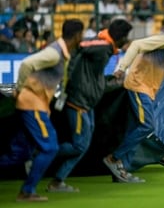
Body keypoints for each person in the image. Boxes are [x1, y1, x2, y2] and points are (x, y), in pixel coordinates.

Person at [103, 10, 164, 183]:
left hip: (147, 88)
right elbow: (136, 45)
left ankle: (121, 169)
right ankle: (114, 159)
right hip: (138, 86)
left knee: (134, 128)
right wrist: (121, 68)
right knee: (147, 125)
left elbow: (156, 66)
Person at [0, 19, 84, 202]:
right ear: (77, 35)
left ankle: (28, 190)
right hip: (32, 106)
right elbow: (26, 64)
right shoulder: (54, 54)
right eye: (82, 35)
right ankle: (27, 191)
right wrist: (19, 89)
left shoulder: (61, 53)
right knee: (50, 147)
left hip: (34, 106)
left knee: (19, 154)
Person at [47, 19, 133, 192]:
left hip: (87, 102)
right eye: (127, 37)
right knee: (79, 145)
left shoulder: (106, 49)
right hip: (79, 100)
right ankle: (41, 154)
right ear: (121, 37)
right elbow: (78, 46)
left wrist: (115, 83)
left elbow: (95, 78)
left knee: (82, 145)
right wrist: (69, 79)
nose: (127, 41)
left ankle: (57, 180)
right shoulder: (101, 45)